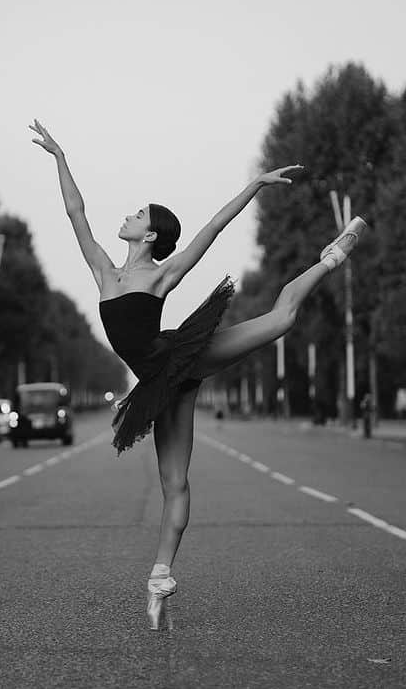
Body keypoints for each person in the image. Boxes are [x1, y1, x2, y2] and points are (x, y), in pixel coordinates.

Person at [30, 119, 366, 629]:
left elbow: (211, 229)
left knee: (281, 319)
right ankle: (160, 575)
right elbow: (75, 213)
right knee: (174, 483)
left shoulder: (161, 275)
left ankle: (332, 257)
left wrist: (253, 185)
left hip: (181, 357)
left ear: (150, 234)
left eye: (137, 213)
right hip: (161, 384)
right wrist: (60, 156)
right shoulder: (103, 270)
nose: (127, 215)